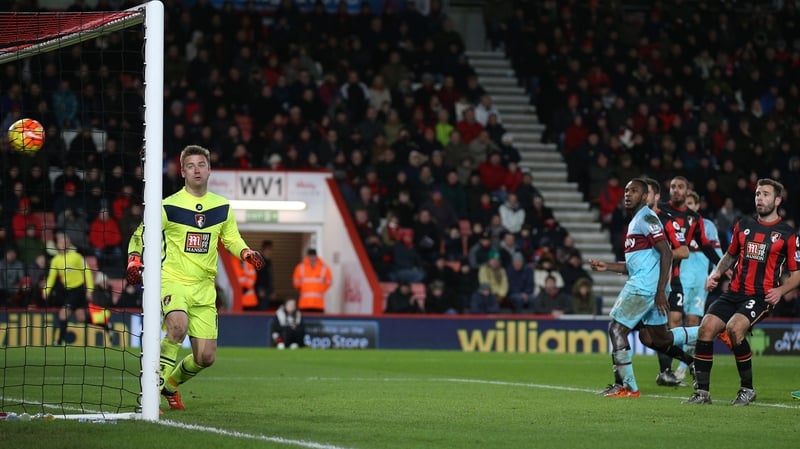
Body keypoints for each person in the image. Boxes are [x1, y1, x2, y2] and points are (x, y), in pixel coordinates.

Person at [126, 144, 266, 411]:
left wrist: (246, 252)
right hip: (173, 280)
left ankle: (170, 385)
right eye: (191, 166)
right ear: (182, 172)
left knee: (205, 357)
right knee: (177, 327)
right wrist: (134, 258)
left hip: (204, 288)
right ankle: (151, 393)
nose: (197, 170)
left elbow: (231, 239)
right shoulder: (168, 206)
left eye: (201, 164)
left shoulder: (222, 207)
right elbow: (139, 234)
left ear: (210, 169)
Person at [686, 178, 800, 406]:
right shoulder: (744, 224)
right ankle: (703, 393)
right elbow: (730, 255)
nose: (760, 198)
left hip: (760, 297)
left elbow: (797, 274)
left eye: (766, 194)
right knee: (706, 328)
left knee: (734, 329)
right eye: (758, 194)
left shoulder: (787, 234)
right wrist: (715, 274)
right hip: (734, 292)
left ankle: (747, 389)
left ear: (777, 200)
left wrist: (781, 290)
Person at [589, 178, 699, 398]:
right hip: (648, 285)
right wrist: (607, 266)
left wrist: (659, 291)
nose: (628, 194)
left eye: (634, 191)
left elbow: (667, 252)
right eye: (626, 190)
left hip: (644, 288)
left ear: (645, 196)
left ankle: (628, 387)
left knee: (617, 329)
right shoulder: (637, 221)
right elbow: (637, 265)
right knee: (658, 339)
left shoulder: (646, 217)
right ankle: (712, 329)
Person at [675, 190, 723, 381]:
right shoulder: (676, 224)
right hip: (679, 280)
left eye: (691, 204)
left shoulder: (708, 226)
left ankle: (681, 368)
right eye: (686, 204)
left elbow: (718, 254)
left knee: (693, 322)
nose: (689, 207)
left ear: (697, 206)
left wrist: (714, 275)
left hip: (699, 282)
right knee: (675, 322)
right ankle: (672, 365)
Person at [43, 230, 94, 345]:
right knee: (81, 318)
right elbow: (51, 277)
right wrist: (46, 290)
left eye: (65, 242)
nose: (63, 244)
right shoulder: (56, 260)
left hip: (78, 289)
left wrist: (90, 290)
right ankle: (106, 325)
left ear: (69, 243)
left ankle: (59, 341)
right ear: (57, 245)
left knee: (63, 313)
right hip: (68, 291)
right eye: (61, 242)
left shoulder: (77, 257)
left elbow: (87, 272)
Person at [292, 248, 332, 313]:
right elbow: (296, 283)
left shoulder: (324, 268)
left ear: (316, 256)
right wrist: (303, 289)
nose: (311, 258)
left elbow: (329, 282)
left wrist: (320, 289)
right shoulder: (300, 267)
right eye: (310, 256)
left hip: (318, 304)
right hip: (304, 303)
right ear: (307, 257)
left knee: (317, 322)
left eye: (313, 256)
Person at [254, 240, 277, 310]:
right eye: (268, 249)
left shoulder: (269, 262)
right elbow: (256, 277)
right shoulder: (259, 261)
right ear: (263, 250)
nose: (269, 252)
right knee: (261, 310)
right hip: (261, 292)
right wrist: (258, 289)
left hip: (267, 291)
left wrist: (272, 291)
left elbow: (270, 278)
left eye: (271, 249)